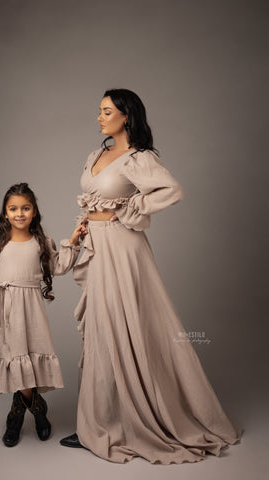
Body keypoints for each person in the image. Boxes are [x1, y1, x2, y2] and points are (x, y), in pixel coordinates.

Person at [60, 89, 243, 464]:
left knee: (130, 328)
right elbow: (95, 199)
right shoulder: (96, 154)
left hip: (124, 250)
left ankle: (133, 420)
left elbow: (171, 190)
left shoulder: (139, 158)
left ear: (126, 115)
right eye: (99, 111)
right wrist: (85, 226)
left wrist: (129, 209)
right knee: (100, 328)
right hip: (96, 246)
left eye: (106, 111)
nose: (99, 117)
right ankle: (98, 423)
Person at [0, 182, 87, 447]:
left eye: (25, 208)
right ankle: (35, 410)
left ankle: (17, 413)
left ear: (34, 212)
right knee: (14, 355)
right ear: (5, 213)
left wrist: (75, 239)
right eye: (13, 209)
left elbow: (58, 266)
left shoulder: (41, 243)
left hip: (32, 307)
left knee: (29, 355)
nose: (19, 213)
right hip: (7, 308)